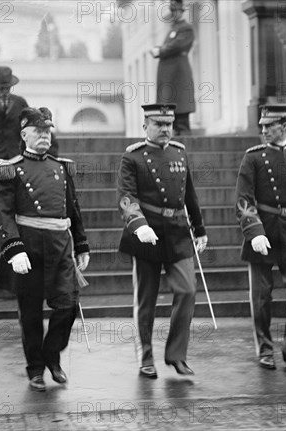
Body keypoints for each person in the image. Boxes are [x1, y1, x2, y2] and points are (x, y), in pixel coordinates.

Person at [0, 107, 90, 391]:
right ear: (24, 134)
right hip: (29, 249)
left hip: (60, 248)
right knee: (31, 314)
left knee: (68, 305)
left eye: (48, 131)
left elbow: (73, 209)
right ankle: (35, 369)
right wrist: (13, 248)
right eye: (39, 131)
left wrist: (81, 244)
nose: (45, 135)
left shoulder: (60, 168)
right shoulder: (11, 169)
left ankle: (52, 355)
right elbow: (3, 213)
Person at [117, 103, 208, 378]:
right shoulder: (132, 157)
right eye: (159, 124)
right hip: (148, 234)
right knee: (146, 299)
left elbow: (188, 194)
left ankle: (177, 355)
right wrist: (138, 224)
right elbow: (126, 198)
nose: (165, 129)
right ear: (145, 126)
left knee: (187, 291)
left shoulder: (179, 152)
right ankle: (146, 357)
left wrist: (200, 228)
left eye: (168, 124)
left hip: (179, 231)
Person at [235, 104, 286, 371]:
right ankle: (265, 349)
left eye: (269, 125)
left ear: (285, 126)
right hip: (263, 230)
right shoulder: (253, 157)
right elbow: (243, 200)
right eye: (262, 125)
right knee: (261, 296)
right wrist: (254, 232)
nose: (263, 129)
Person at [151, 0, 195, 136]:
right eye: (173, 11)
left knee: (180, 103)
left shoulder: (186, 28)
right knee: (170, 106)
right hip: (170, 74)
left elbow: (177, 45)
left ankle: (182, 131)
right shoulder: (173, 28)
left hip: (178, 73)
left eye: (176, 11)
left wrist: (160, 51)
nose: (174, 14)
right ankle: (175, 130)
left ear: (182, 12)